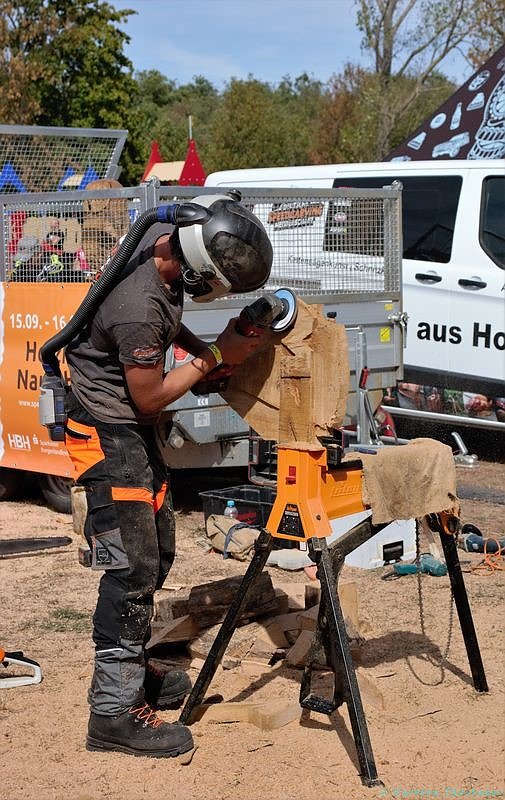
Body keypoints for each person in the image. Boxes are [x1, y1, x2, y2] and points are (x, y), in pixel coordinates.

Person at [63, 194, 273, 758]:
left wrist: (210, 350)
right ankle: (112, 711)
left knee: (160, 547)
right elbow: (150, 394)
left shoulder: (170, 237)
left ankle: (133, 668)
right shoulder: (137, 302)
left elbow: (168, 330)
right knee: (132, 567)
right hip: (109, 431)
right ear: (199, 266)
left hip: (130, 426)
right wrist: (210, 359)